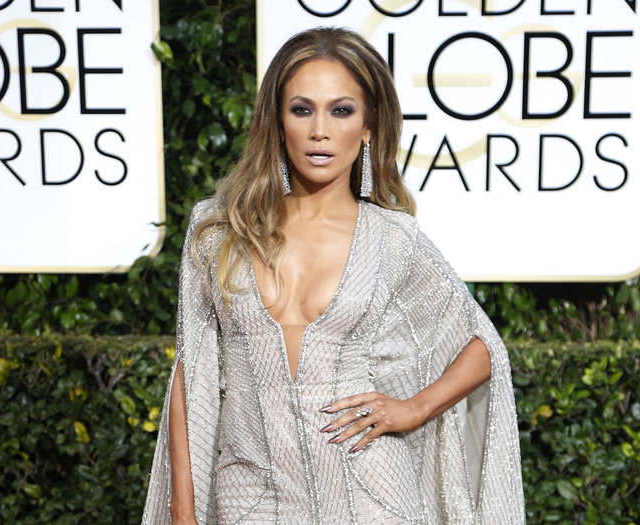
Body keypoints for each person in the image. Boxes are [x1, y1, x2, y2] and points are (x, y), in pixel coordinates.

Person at [141, 27, 524, 524]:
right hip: (249, 494)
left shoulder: (393, 239)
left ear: (367, 126)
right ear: (278, 123)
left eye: (341, 111)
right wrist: (182, 512)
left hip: (372, 494)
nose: (320, 129)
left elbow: (483, 346)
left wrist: (411, 409)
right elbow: (191, 377)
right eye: (302, 109)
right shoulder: (220, 231)